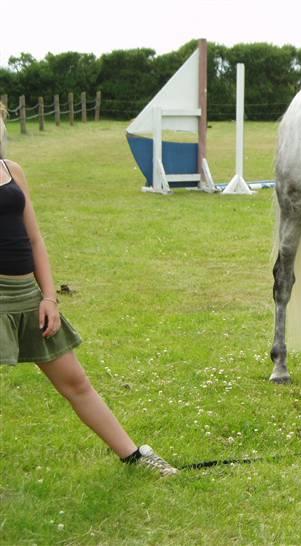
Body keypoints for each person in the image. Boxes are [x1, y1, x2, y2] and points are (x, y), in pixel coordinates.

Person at [0, 103, 177, 476]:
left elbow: (34, 238)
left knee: (76, 381)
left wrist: (48, 295)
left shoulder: (11, 170)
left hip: (27, 296)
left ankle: (135, 456)